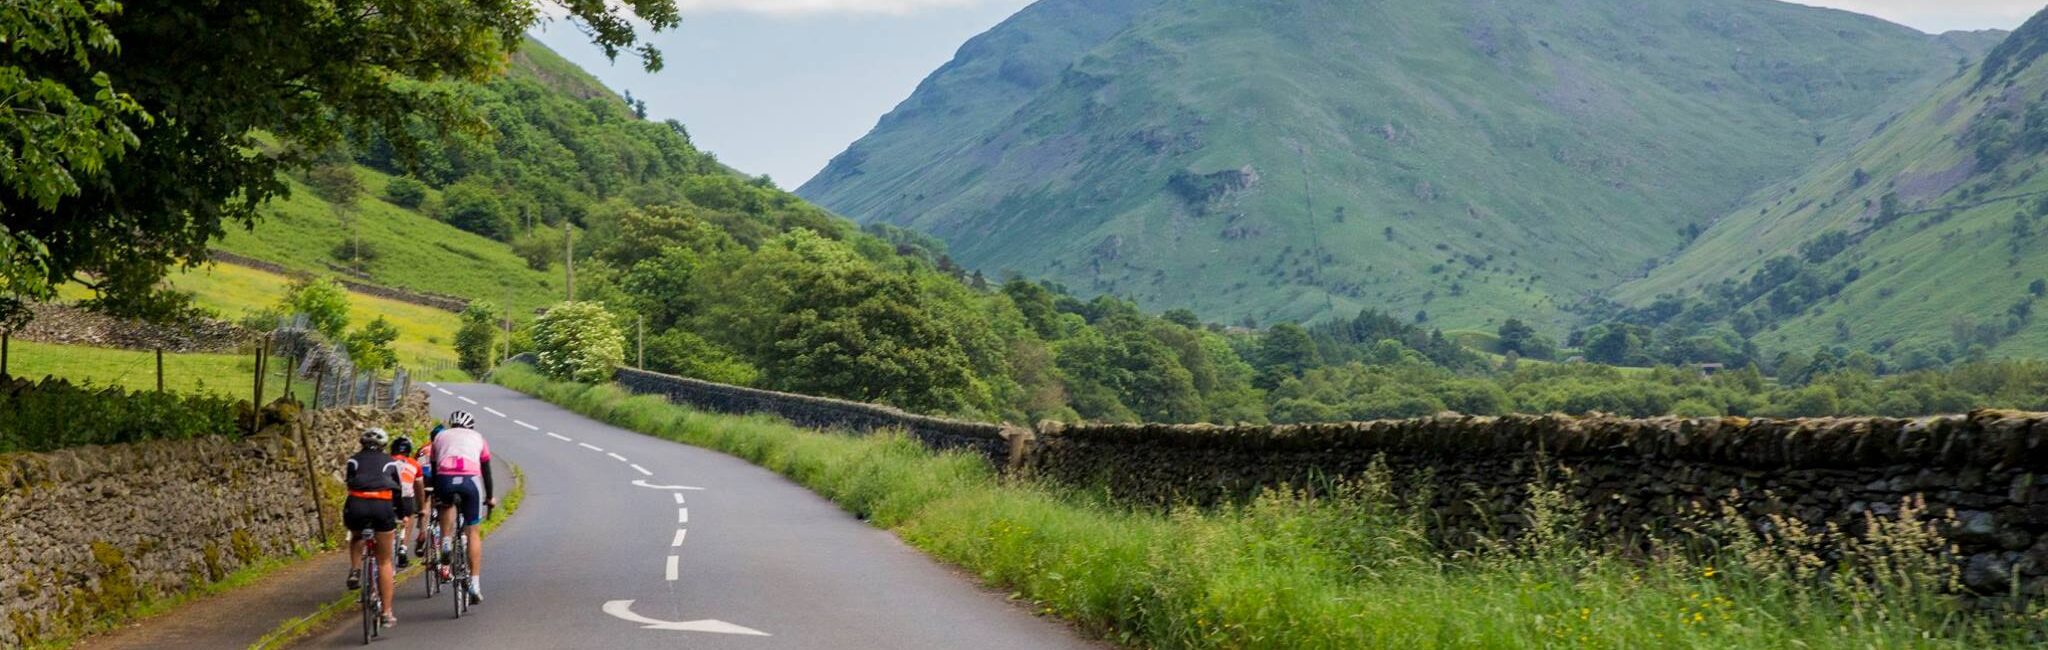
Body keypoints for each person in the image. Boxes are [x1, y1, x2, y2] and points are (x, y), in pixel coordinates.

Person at [430, 410, 495, 605]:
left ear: (452, 424)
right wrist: (490, 497)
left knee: (447, 505)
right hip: (470, 481)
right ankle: (475, 585)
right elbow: (486, 472)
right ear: (470, 426)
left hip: (445, 479)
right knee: (473, 531)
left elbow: (434, 469)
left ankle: (447, 542)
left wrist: (436, 494)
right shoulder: (479, 438)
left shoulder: (440, 437)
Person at [343, 428, 402, 628]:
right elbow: (397, 490)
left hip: (357, 507)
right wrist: (401, 514)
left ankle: (355, 569)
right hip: (382, 507)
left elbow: (350, 483)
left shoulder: (353, 460)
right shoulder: (390, 462)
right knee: (384, 561)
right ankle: (386, 612)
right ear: (384, 445)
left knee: (356, 536)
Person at [388, 436, 426, 569]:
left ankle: (388, 549)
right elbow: (419, 488)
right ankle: (403, 547)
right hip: (406, 499)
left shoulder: (387, 461)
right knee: (409, 517)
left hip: (388, 497)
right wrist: (421, 509)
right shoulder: (414, 464)